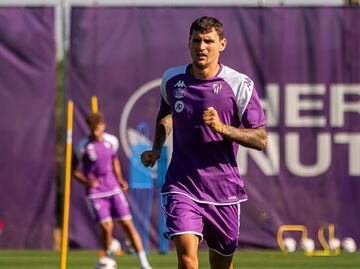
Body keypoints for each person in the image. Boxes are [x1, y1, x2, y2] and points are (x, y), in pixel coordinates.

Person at [141, 16, 267, 269]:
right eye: (196, 40)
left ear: (222, 44)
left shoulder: (239, 84)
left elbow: (260, 139)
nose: (202, 46)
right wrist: (156, 149)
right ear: (188, 43)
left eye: (209, 41)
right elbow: (166, 114)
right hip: (182, 185)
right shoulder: (172, 79)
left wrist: (222, 128)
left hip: (224, 191)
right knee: (188, 260)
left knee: (221, 265)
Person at [72, 112, 152, 269]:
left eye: (97, 129)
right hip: (96, 193)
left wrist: (120, 179)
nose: (95, 132)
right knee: (106, 227)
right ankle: (110, 254)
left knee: (128, 225)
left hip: (114, 189)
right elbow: (72, 169)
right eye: (92, 129)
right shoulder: (83, 146)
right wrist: (85, 181)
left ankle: (144, 264)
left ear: (103, 126)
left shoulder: (112, 141)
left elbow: (114, 161)